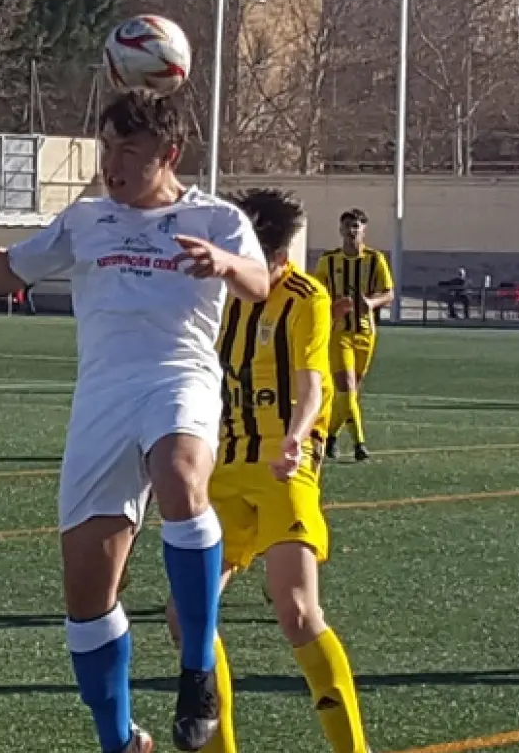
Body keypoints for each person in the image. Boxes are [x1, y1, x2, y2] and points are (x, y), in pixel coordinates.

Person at [0, 91, 269, 753]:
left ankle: (196, 668)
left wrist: (225, 264)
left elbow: (258, 280)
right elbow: (7, 270)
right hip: (102, 401)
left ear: (168, 154)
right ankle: (120, 742)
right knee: (87, 597)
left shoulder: (215, 216)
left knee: (179, 477)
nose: (112, 164)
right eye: (106, 148)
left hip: (179, 379)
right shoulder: (86, 219)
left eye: (129, 152)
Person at [166, 188, 370, 753]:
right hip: (227, 467)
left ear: (274, 255)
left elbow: (310, 383)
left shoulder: (307, 297)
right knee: (185, 614)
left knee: (297, 609)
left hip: (286, 467)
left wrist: (299, 439)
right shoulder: (218, 297)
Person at [312, 210, 394, 461]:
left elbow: (389, 293)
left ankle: (330, 436)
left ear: (364, 230)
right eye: (347, 226)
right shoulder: (328, 261)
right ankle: (360, 444)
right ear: (340, 230)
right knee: (346, 388)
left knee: (350, 395)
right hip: (338, 334)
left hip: (365, 335)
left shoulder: (375, 259)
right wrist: (331, 307)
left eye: (356, 226)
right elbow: (316, 294)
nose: (351, 231)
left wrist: (370, 303)